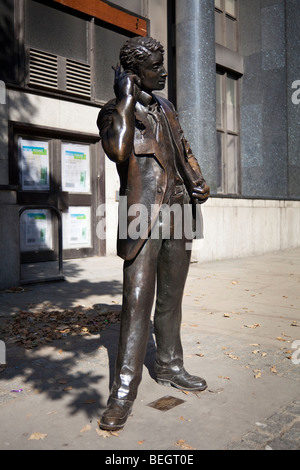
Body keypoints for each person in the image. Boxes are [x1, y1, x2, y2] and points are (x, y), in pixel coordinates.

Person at [97, 36, 210, 431]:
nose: (164, 72)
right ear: (133, 74)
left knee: (171, 299)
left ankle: (170, 365)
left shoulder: (167, 107)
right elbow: (119, 151)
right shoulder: (113, 111)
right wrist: (125, 101)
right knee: (137, 302)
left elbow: (182, 147)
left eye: (163, 64)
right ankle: (124, 390)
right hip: (143, 218)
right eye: (156, 66)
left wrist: (197, 177)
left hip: (180, 213)